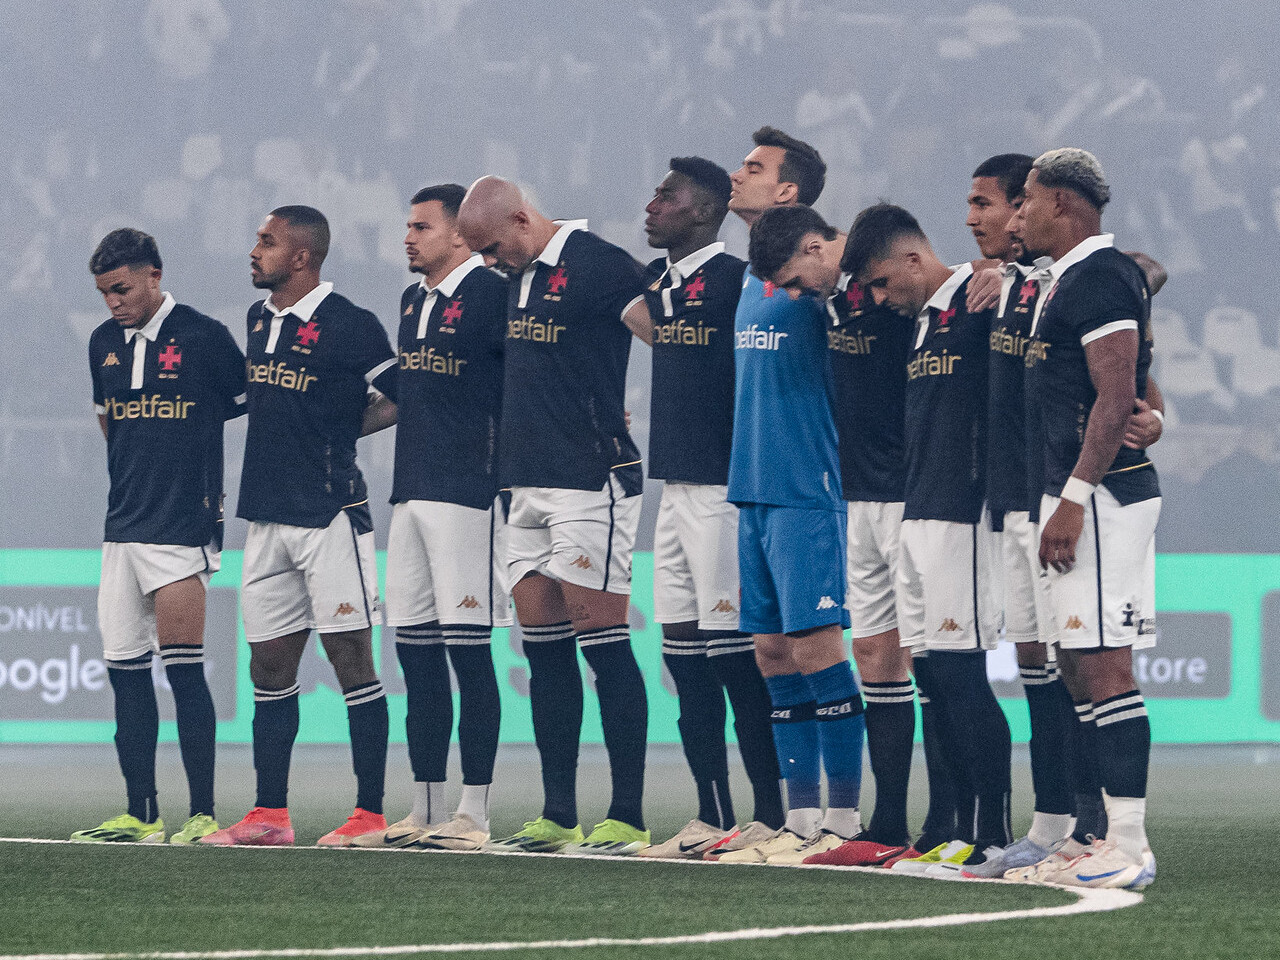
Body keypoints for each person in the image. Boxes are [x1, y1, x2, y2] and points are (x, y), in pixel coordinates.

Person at [457, 176, 652, 855]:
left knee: (605, 645)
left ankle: (626, 814)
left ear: (519, 218)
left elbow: (664, 336)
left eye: (490, 247)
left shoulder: (600, 264)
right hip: (524, 484)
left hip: (588, 479)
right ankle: (558, 813)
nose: (488, 262)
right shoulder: (514, 277)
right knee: (544, 655)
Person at [201, 206, 398, 847]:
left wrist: (342, 432)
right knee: (268, 671)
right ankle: (269, 817)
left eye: (267, 241)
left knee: (352, 664)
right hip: (265, 518)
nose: (254, 250)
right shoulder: (259, 320)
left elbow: (401, 394)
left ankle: (369, 814)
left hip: (330, 514)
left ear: (302, 256)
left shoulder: (352, 325)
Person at [1005, 148, 1160, 890]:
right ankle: (1095, 836)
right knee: (1073, 665)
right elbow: (1131, 393)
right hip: (1069, 489)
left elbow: (1112, 394)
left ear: (1061, 202)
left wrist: (1072, 498)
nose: (1016, 215)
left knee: (1104, 662)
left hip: (1099, 495)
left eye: (1026, 201)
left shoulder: (1098, 276)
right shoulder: (1066, 281)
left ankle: (1127, 845)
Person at [844, 204, 1012, 877]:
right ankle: (956, 830)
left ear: (914, 260)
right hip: (918, 510)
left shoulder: (980, 301)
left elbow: (1124, 282)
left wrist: (1009, 272)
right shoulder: (923, 321)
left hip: (960, 514)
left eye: (884, 282)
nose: (880, 299)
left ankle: (991, 834)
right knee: (937, 679)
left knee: (963, 674)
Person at [351, 185, 510, 853]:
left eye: (422, 226)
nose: (409, 237)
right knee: (415, 655)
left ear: (461, 234)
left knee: (470, 656)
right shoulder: (414, 300)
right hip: (409, 493)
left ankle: (474, 813)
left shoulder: (495, 294)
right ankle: (424, 806)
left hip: (467, 492)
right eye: (407, 225)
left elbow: (519, 388)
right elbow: (404, 395)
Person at [633, 157, 785, 860]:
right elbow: (625, 308)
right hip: (671, 491)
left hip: (724, 492)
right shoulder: (661, 284)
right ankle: (711, 815)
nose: (653, 203)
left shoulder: (737, 281)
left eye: (668, 195)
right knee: (685, 663)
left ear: (704, 210)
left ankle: (771, 814)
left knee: (735, 662)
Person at [76, 228, 245, 846]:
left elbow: (242, 405)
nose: (112, 302)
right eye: (103, 293)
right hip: (122, 527)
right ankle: (140, 813)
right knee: (125, 671)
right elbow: (109, 424)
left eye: (120, 288)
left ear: (153, 274)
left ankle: (201, 813)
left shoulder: (204, 337)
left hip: (181, 527)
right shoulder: (101, 344)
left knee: (184, 670)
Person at [717, 205, 867, 865]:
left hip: (809, 489)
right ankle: (800, 820)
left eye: (754, 167)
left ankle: (844, 818)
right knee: (773, 655)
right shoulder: (758, 275)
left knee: (817, 650)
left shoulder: (848, 286)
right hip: (751, 488)